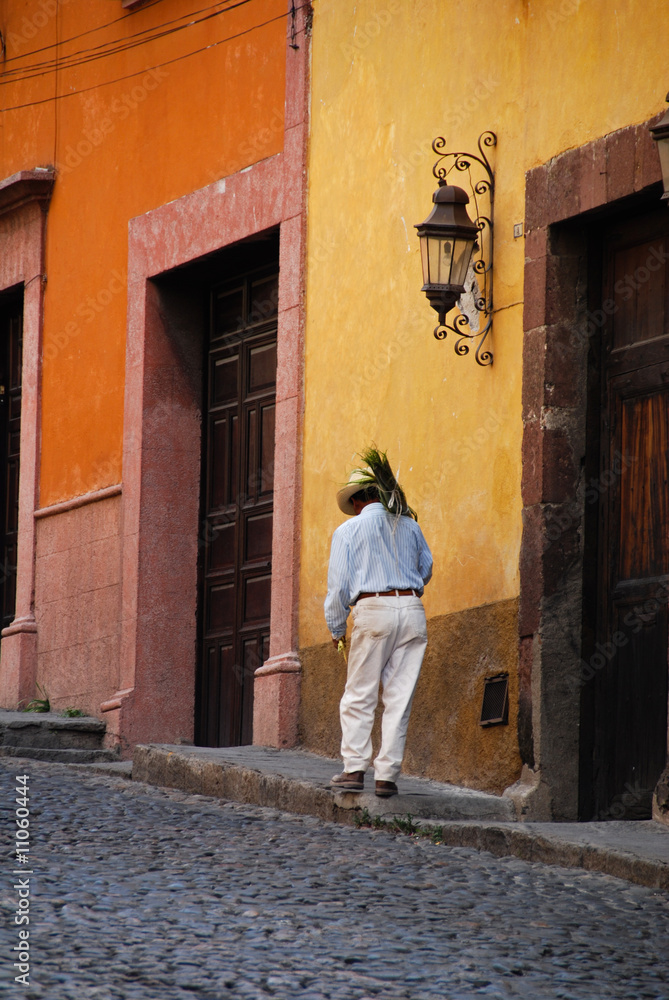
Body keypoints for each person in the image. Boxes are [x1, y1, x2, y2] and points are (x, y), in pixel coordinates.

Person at [324, 448, 433, 798]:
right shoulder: (410, 525)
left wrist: (337, 629)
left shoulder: (348, 530)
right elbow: (426, 570)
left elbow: (338, 588)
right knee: (399, 698)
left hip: (373, 611)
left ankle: (354, 769)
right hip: (412, 609)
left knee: (360, 694)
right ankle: (387, 776)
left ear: (358, 501)